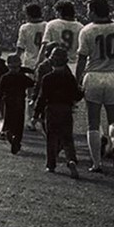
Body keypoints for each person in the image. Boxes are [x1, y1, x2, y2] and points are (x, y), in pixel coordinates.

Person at [76, 0, 114, 173]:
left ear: (93, 10)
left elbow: (82, 59)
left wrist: (77, 81)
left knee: (93, 121)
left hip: (94, 76)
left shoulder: (87, 30)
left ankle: (97, 163)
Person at [33, 47, 82, 178]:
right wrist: (82, 91)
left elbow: (42, 98)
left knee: (51, 138)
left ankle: (51, 164)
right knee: (67, 137)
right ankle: (71, 159)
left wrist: (36, 115)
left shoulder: (47, 78)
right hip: (66, 109)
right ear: (66, 61)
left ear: (52, 62)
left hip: (51, 109)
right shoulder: (69, 78)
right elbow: (76, 95)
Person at [0, 54, 35, 155]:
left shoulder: (5, 77)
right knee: (19, 124)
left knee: (8, 123)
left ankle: (12, 139)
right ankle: (16, 141)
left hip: (8, 102)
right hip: (19, 102)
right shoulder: (22, 77)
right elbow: (32, 83)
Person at [16, 3, 47, 129]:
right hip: (44, 62)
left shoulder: (25, 27)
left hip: (29, 62)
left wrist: (16, 61)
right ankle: (41, 118)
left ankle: (30, 121)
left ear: (28, 14)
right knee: (44, 92)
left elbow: (20, 47)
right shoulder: (47, 25)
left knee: (30, 92)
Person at [38, 0, 83, 74]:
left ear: (60, 12)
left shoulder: (52, 24)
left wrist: (39, 62)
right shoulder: (80, 27)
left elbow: (44, 46)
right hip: (74, 65)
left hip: (55, 65)